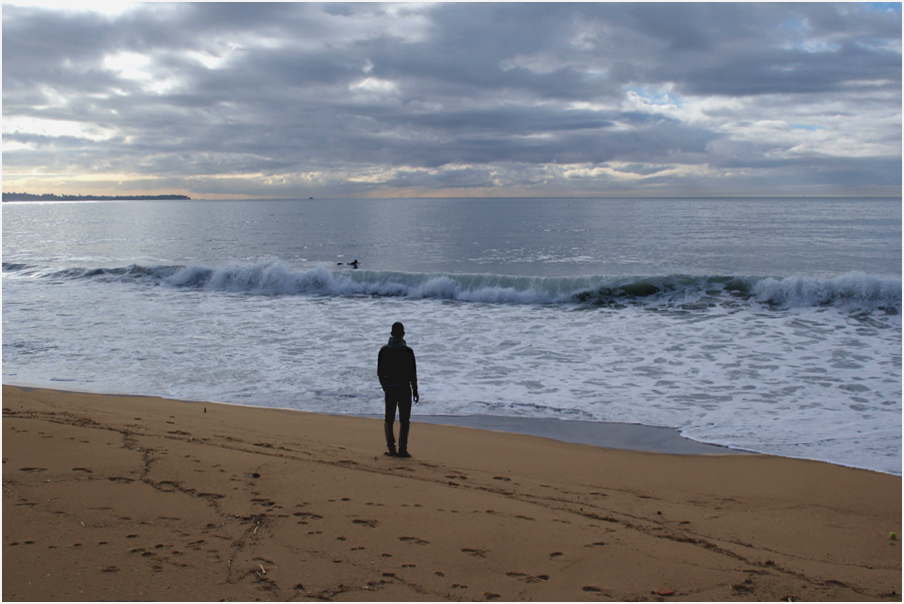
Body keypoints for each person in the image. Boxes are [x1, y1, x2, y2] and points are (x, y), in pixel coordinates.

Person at [377, 322, 419, 458]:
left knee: (388, 420)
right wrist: (415, 390)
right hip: (405, 389)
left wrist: (385, 387)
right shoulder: (408, 352)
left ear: (391, 334)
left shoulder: (384, 351)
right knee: (404, 421)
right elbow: (413, 374)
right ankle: (403, 449)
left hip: (391, 389)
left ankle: (391, 448)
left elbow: (380, 372)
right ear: (403, 334)